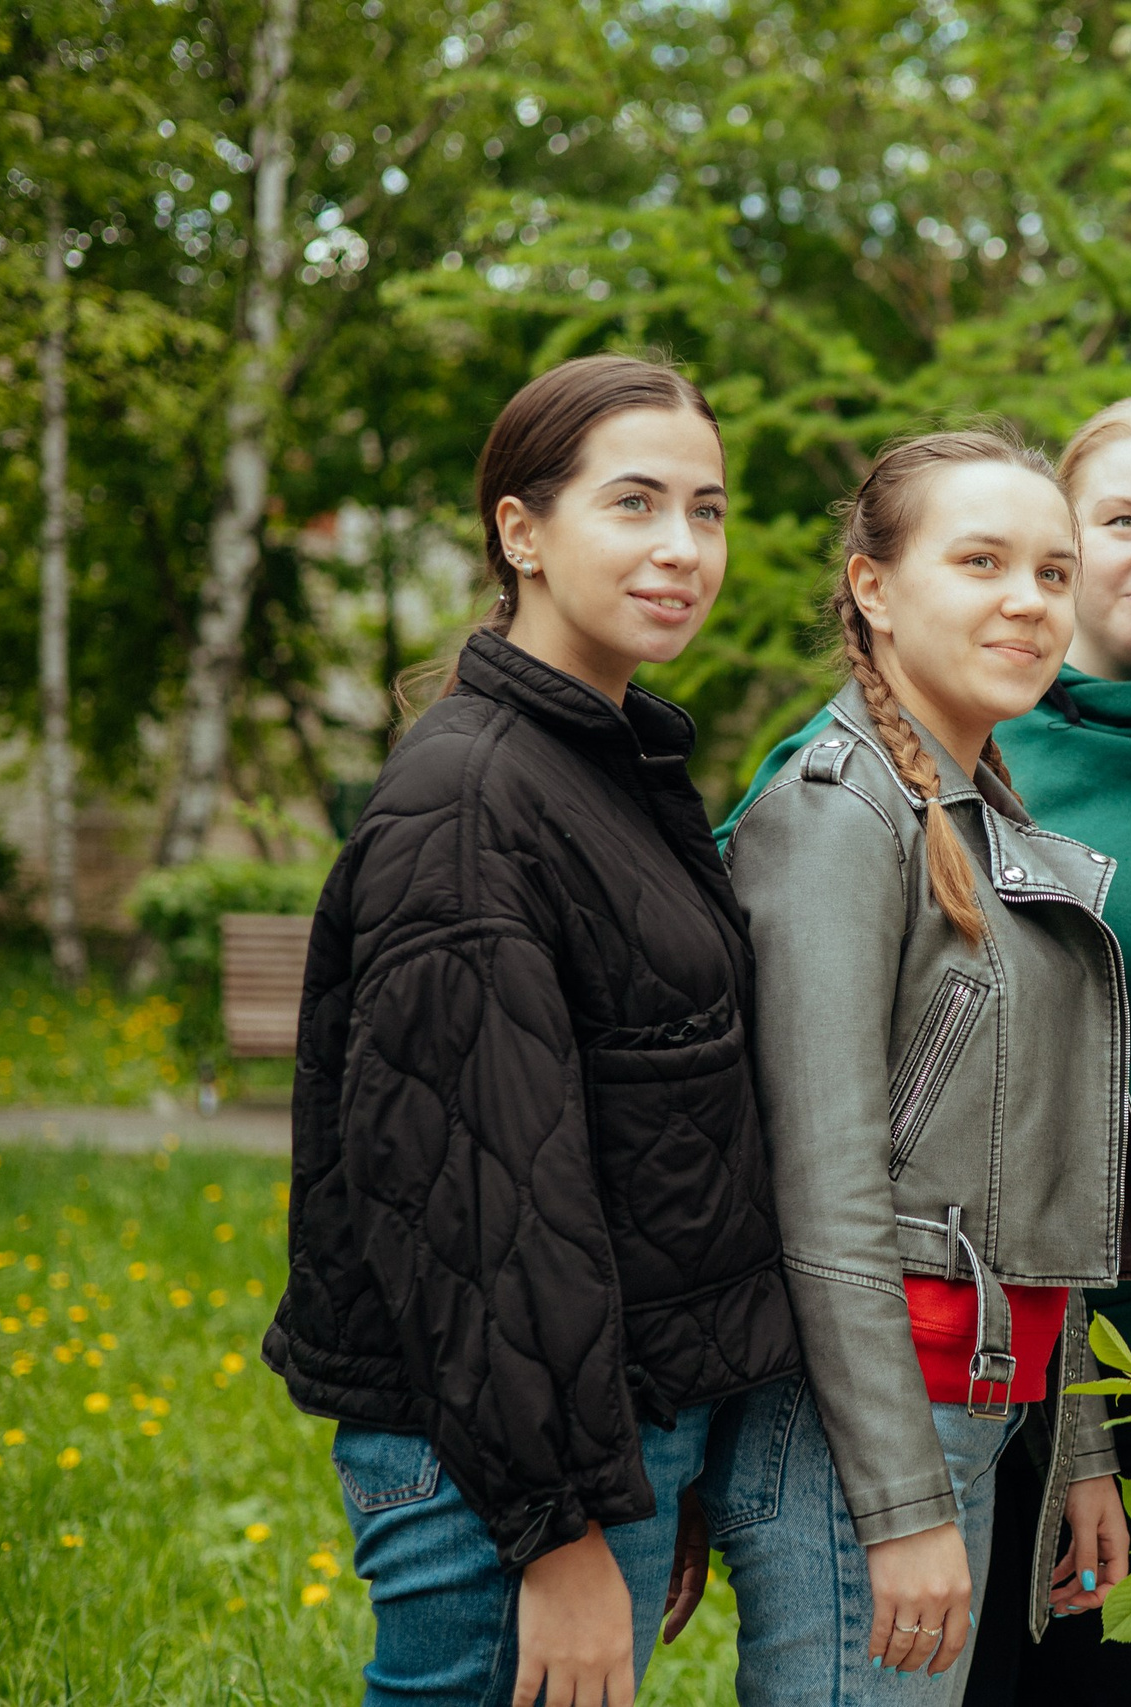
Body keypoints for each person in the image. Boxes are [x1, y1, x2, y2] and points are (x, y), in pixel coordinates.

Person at [718, 398, 1131, 1703]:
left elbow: (1039, 1161)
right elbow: (821, 1184)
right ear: (873, 587)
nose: (1033, 600)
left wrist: (1081, 1438)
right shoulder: (834, 812)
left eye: (1049, 571)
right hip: (872, 1427)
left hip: (995, 1399)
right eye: (983, 563)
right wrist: (897, 1503)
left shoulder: (985, 804)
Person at [264, 354, 799, 1707]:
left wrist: (641, 1474)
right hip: (495, 1469)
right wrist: (560, 1527)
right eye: (635, 503)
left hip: (587, 1431)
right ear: (523, 531)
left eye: (709, 508)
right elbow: (472, 1195)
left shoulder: (601, 765)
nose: (683, 547)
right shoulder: (471, 800)